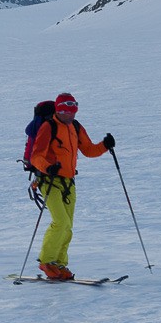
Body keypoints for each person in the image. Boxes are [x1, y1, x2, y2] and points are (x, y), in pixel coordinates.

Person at [28, 92, 115, 280]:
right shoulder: (48, 127)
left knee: (68, 226)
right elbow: (36, 156)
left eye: (74, 112)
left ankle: (59, 264)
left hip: (68, 182)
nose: (72, 116)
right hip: (48, 181)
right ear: (59, 111)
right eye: (68, 113)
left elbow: (89, 150)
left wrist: (105, 145)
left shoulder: (75, 126)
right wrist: (49, 167)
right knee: (61, 222)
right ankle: (47, 261)